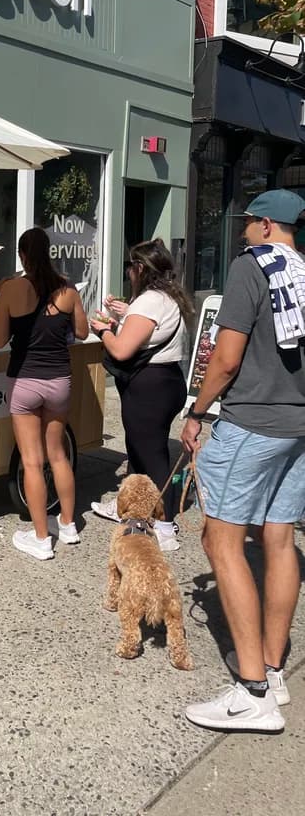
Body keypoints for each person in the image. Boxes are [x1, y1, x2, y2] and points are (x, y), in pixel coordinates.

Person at [181, 189, 305, 733]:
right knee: (279, 538)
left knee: (220, 539)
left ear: (267, 224)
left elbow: (226, 357)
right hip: (299, 426)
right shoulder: (301, 271)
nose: (244, 230)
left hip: (253, 419)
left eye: (250, 221)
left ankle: (252, 692)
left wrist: (197, 410)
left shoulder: (251, 268)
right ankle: (273, 670)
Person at [89, 238, 193, 551]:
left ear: (140, 268)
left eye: (130, 266)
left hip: (150, 387)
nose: (128, 272)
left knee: (152, 454)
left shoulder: (149, 301)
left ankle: (164, 526)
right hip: (167, 381)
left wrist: (103, 330)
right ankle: (129, 506)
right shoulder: (168, 296)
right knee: (139, 447)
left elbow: (121, 350)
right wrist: (125, 315)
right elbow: (149, 332)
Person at [0, 226, 88, 560]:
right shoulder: (67, 288)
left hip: (24, 381)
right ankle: (68, 525)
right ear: (49, 252)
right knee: (58, 455)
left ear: (22, 255)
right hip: (59, 380)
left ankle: (40, 539)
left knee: (32, 463)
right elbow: (82, 330)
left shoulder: (11, 288)